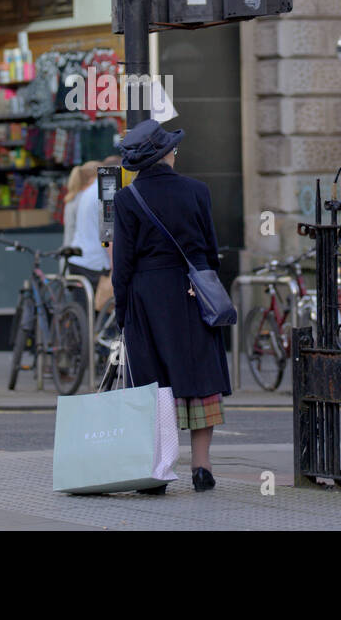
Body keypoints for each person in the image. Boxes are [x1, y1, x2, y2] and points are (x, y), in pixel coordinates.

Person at [110, 119, 231, 493]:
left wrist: (122, 309)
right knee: (199, 379)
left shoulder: (127, 199)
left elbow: (123, 265)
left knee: (153, 385)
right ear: (165, 154)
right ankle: (201, 465)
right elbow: (210, 250)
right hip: (191, 292)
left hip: (147, 297)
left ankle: (158, 470)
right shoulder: (197, 191)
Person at [68, 160, 109, 297]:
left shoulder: (83, 194)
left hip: (78, 259)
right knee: (100, 310)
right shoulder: (103, 191)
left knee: (83, 310)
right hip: (95, 263)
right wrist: (115, 266)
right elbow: (109, 234)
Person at [61, 161, 99, 253]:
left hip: (72, 252)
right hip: (79, 253)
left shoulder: (74, 197)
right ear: (91, 179)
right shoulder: (86, 198)